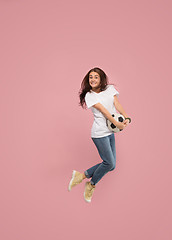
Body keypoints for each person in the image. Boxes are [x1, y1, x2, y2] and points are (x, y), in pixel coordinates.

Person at [68, 67, 131, 203]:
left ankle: (80, 176)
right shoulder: (89, 95)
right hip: (99, 133)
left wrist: (126, 116)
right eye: (91, 77)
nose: (93, 79)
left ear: (101, 79)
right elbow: (104, 111)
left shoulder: (109, 89)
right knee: (109, 162)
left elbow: (116, 103)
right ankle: (91, 184)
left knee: (111, 165)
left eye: (96, 77)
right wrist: (117, 124)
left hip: (110, 132)